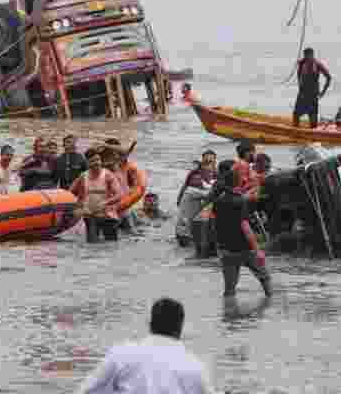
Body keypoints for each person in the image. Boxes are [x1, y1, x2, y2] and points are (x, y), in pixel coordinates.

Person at [76, 297, 214, 394]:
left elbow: (86, 391)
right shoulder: (194, 366)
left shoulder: (121, 354)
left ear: (150, 324)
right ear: (180, 328)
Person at [213, 160, 271, 298]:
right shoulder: (240, 201)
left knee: (229, 288)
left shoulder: (219, 200)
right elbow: (245, 226)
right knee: (264, 278)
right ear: (238, 183)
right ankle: (270, 303)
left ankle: (229, 315)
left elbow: (215, 222)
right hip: (244, 248)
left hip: (225, 249)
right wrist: (258, 250)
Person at [71, 148, 123, 243]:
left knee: (111, 246)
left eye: (98, 160)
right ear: (87, 163)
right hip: (90, 216)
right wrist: (78, 208)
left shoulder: (108, 175)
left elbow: (119, 195)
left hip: (108, 216)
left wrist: (106, 202)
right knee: (92, 246)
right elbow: (70, 193)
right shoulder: (83, 176)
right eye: (93, 161)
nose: (97, 163)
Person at [292, 47, 331, 129]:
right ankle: (295, 132)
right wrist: (300, 86)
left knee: (313, 116)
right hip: (303, 93)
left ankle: (313, 133)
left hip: (313, 94)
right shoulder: (302, 63)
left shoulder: (317, 64)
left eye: (309, 55)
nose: (307, 58)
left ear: (312, 55)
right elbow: (299, 76)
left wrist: (323, 92)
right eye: (306, 56)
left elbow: (328, 77)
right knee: (296, 114)